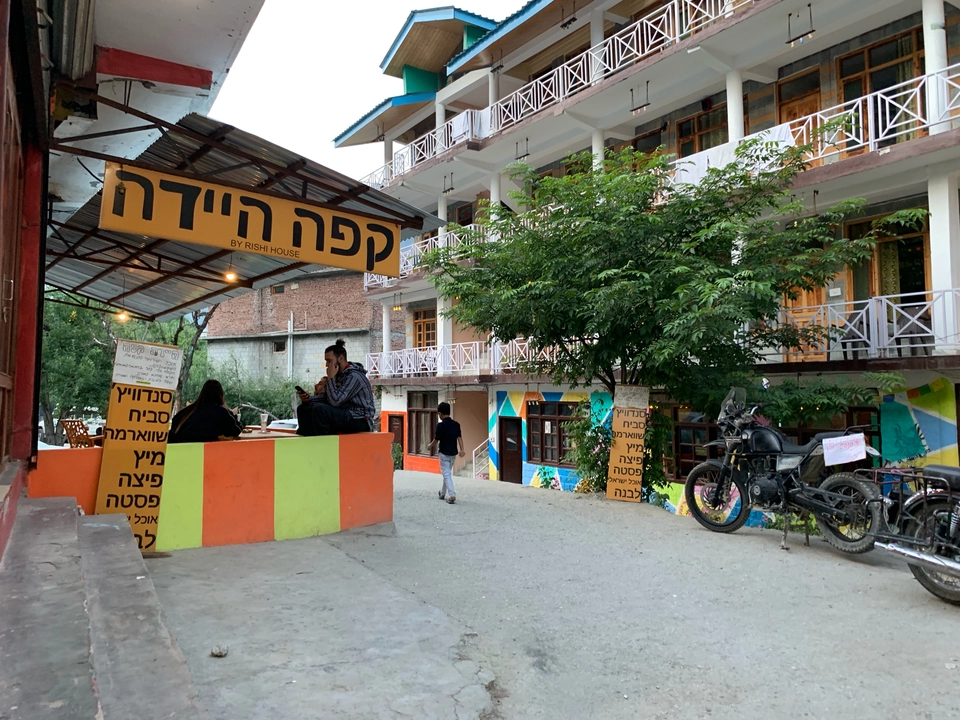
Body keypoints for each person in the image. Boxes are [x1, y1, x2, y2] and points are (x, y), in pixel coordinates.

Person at [296, 339, 376, 436]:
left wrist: (330, 378)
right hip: (344, 414)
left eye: (329, 361)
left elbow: (335, 401)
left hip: (360, 419)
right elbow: (324, 398)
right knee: (303, 408)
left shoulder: (354, 376)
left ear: (340, 359)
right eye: (326, 361)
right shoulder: (337, 375)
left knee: (320, 410)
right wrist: (307, 400)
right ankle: (306, 441)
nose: (326, 365)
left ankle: (323, 446)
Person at [168, 380, 243, 444]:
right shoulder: (220, 412)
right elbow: (236, 430)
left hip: (175, 453)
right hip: (203, 453)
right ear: (220, 395)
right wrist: (228, 409)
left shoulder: (185, 412)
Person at [427, 402, 465, 504]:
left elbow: (436, 439)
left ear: (440, 414)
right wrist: (462, 449)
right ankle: (442, 493)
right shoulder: (456, 425)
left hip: (444, 453)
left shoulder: (440, 426)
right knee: (446, 473)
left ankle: (452, 495)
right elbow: (459, 438)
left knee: (446, 474)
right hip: (453, 453)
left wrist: (430, 446)